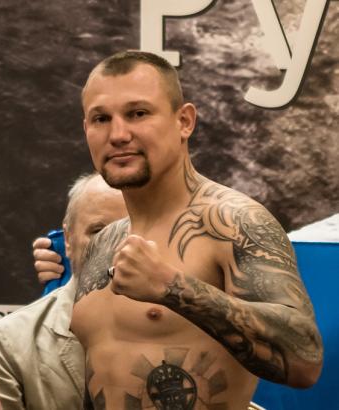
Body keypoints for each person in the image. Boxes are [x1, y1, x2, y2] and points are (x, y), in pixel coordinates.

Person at [70, 51, 323, 409]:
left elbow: (305, 359)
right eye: (101, 119)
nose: (118, 134)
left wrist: (172, 287)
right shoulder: (102, 244)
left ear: (184, 121)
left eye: (138, 113)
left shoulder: (234, 222)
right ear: (86, 130)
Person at [0, 172, 128, 409]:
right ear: (68, 239)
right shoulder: (9, 343)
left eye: (132, 228)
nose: (115, 246)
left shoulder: (187, 326)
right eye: (98, 231)